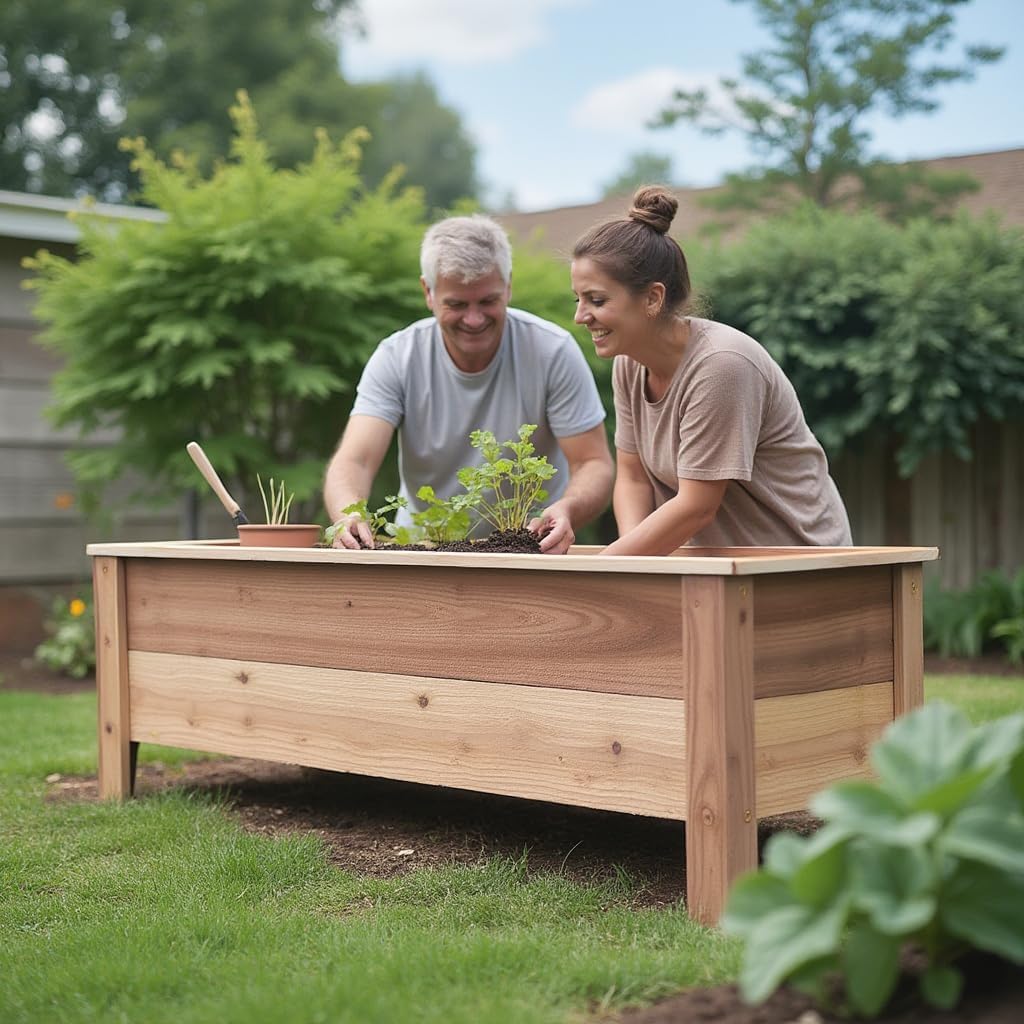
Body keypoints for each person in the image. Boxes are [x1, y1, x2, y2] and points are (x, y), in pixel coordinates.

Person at [570, 186, 852, 556]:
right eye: (578, 299)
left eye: (597, 300)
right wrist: (629, 567)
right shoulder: (629, 363)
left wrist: (607, 569)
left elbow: (696, 507)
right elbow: (634, 478)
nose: (580, 316)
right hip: (718, 571)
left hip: (800, 562)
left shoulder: (721, 366)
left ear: (653, 298)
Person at [324, 213, 614, 553]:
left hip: (528, 552)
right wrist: (348, 515)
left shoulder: (552, 351)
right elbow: (355, 460)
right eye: (457, 304)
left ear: (508, 287)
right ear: (428, 292)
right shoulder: (397, 357)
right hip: (425, 550)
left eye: (487, 301)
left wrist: (568, 508)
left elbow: (592, 464)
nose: (474, 319)